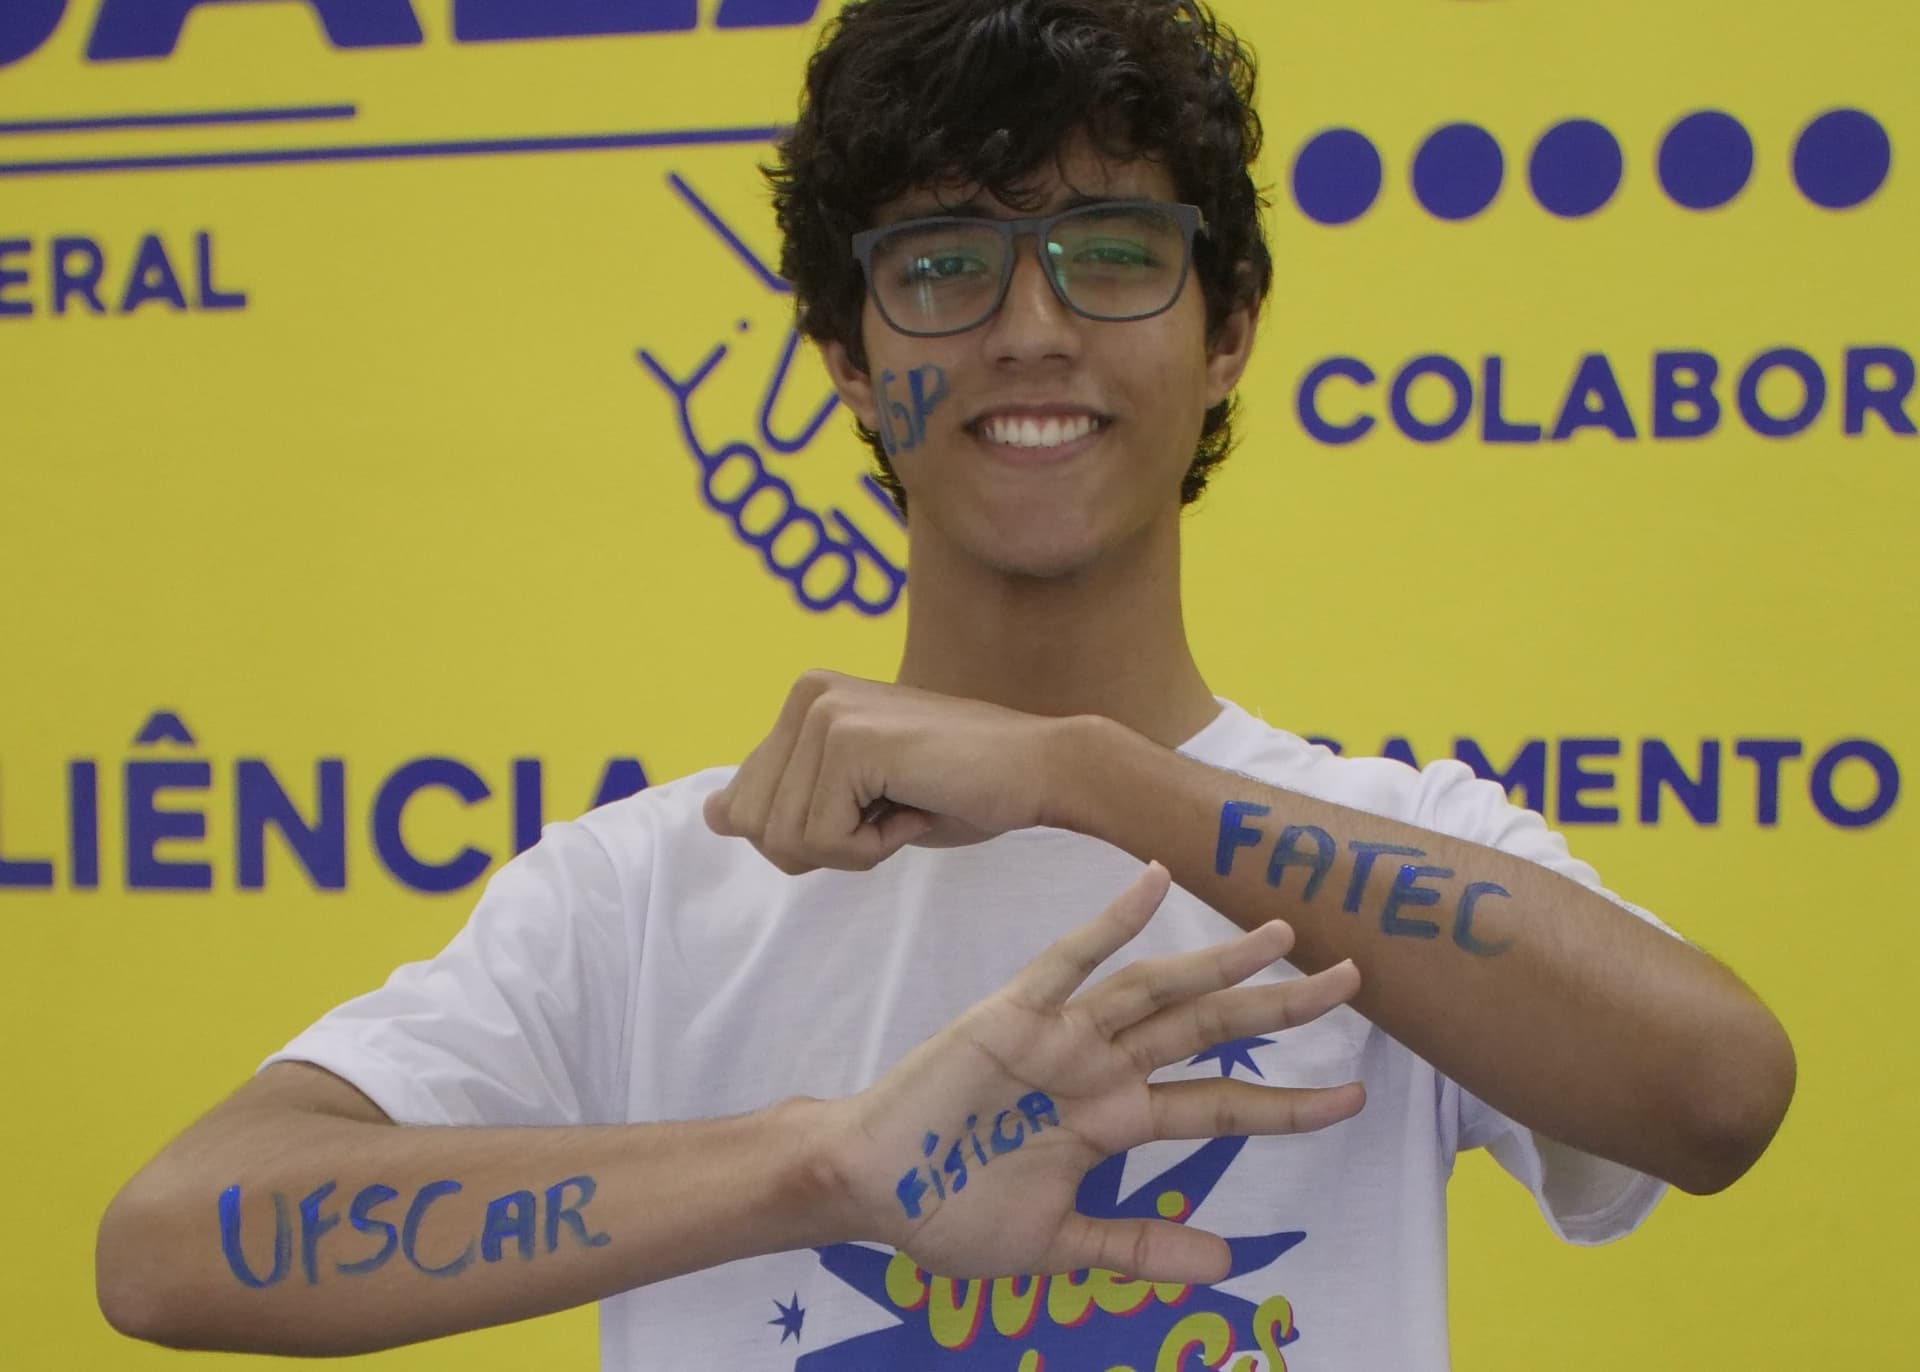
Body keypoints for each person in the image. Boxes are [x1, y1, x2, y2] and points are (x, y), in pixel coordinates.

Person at [95, 1, 1796, 1367]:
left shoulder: (1373, 847)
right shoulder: (644, 895)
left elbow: (1719, 1097)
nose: (1030, 326)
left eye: (1110, 249)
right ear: (846, 358)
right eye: (941, 264)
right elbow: (175, 1244)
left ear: (1229, 333)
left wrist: (1085, 776)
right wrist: (822, 1166)